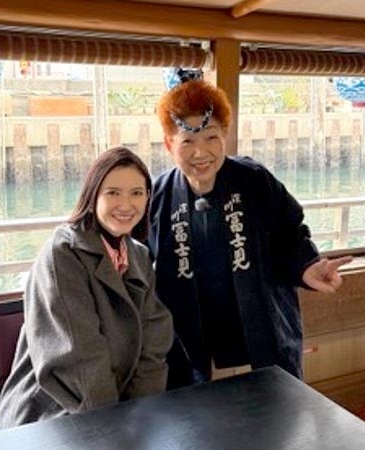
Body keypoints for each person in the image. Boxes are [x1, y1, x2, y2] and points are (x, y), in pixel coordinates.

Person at [149, 70, 352, 387]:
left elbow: (291, 234)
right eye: (187, 141)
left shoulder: (255, 180)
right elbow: (137, 262)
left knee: (274, 412)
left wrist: (307, 267)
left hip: (261, 339)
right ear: (169, 144)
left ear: (225, 135)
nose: (201, 153)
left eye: (211, 138)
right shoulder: (158, 195)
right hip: (190, 351)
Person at [0, 147, 173, 428]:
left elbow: (154, 340)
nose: (126, 204)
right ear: (93, 196)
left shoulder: (138, 254)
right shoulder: (63, 254)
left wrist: (140, 411)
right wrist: (112, 427)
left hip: (118, 408)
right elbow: (80, 360)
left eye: (137, 193)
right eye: (113, 193)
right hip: (51, 411)